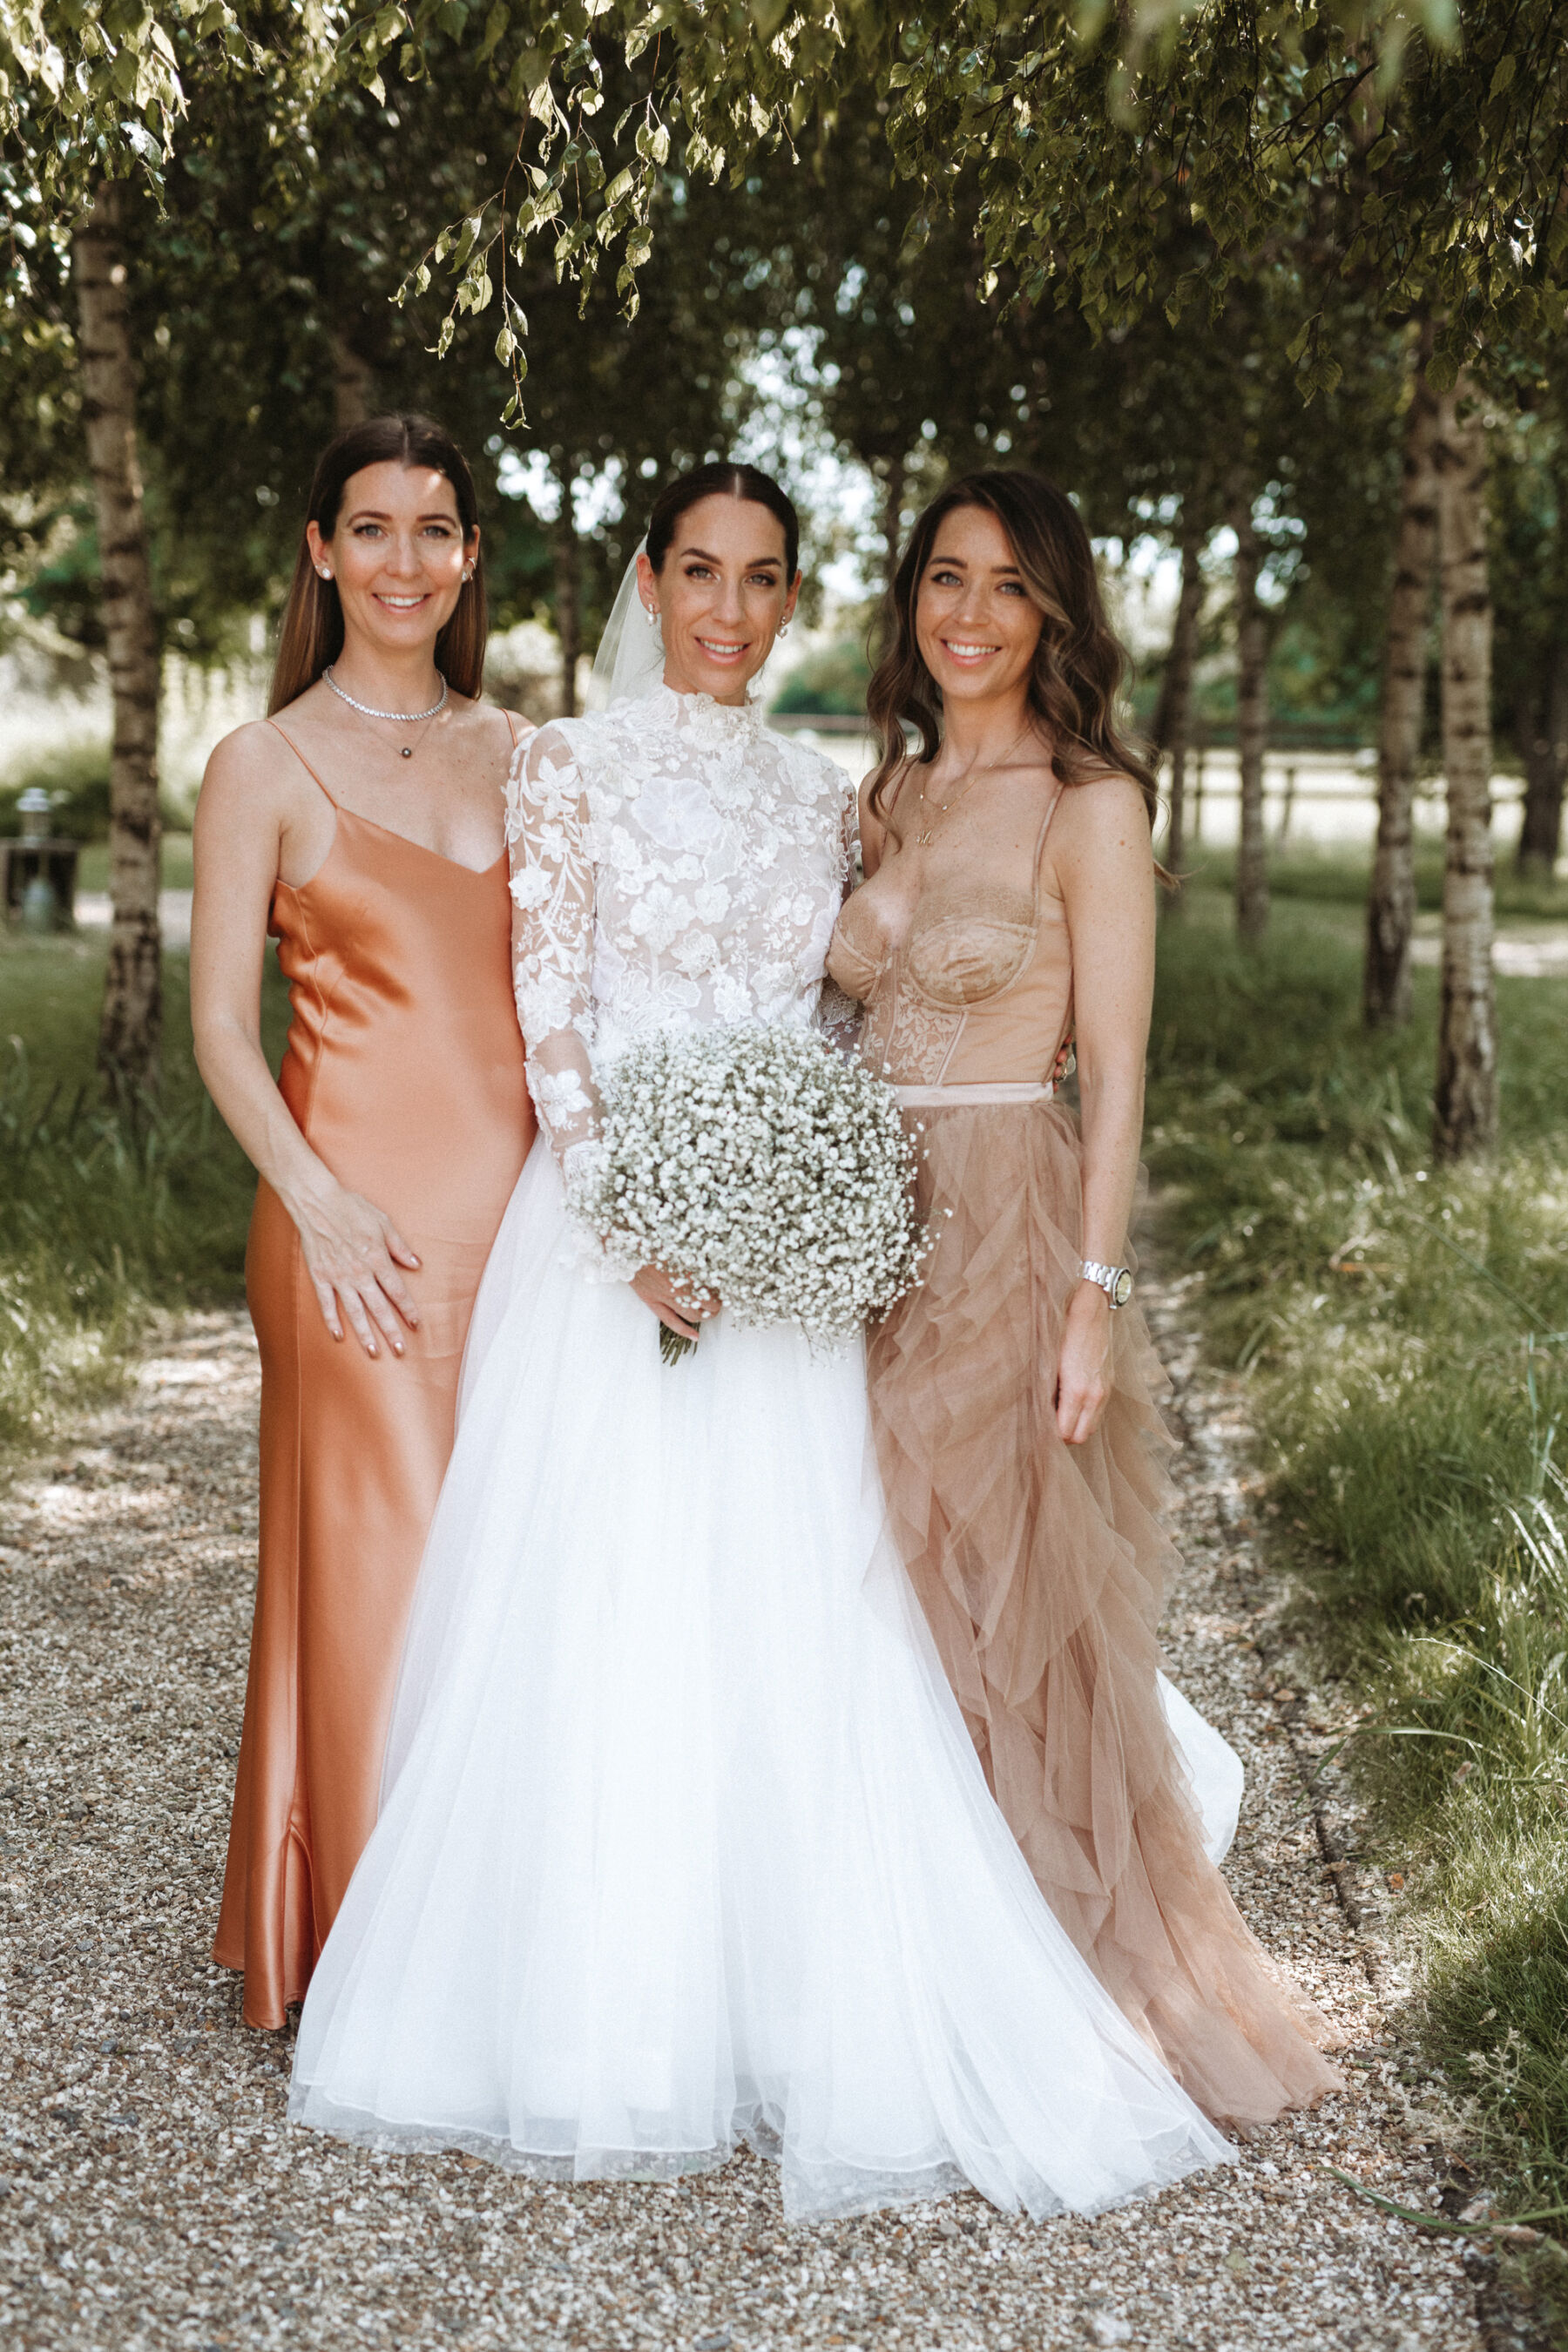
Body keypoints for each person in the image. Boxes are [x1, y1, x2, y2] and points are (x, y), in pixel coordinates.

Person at [287, 462, 1233, 2223]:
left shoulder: (827, 795)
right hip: (615, 1255)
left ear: (798, 602)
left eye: (765, 577)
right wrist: (636, 1218)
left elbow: (820, 1015)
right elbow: (545, 1009)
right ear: (651, 579)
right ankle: (596, 2013)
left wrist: (781, 1201)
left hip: (794, 1256)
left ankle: (808, 1987)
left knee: (815, 1613)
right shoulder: (566, 767)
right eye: (699, 572)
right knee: (607, 1619)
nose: (729, 608)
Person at [828, 470, 1342, 2124]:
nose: (967, 614)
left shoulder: (1088, 805)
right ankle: (902, 1950)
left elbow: (1117, 1074)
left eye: (1007, 588)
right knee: (866, 1581)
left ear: (1055, 616)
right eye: (943, 579)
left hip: (1003, 1222)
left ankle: (1069, 1970)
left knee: (992, 1584)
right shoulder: (888, 795)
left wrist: (1092, 1297)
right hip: (855, 1224)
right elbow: (840, 1017)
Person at [191, 414, 534, 2030]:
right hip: (353, 1222)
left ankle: (504, 1922)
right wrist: (315, 1205)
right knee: (381, 1561)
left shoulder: (528, 754)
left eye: (437, 530)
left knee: (518, 1555)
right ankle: (377, 1955)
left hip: (527, 1229)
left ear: (471, 557)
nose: (407, 561)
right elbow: (215, 1031)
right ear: (322, 551)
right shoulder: (260, 764)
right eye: (374, 529)